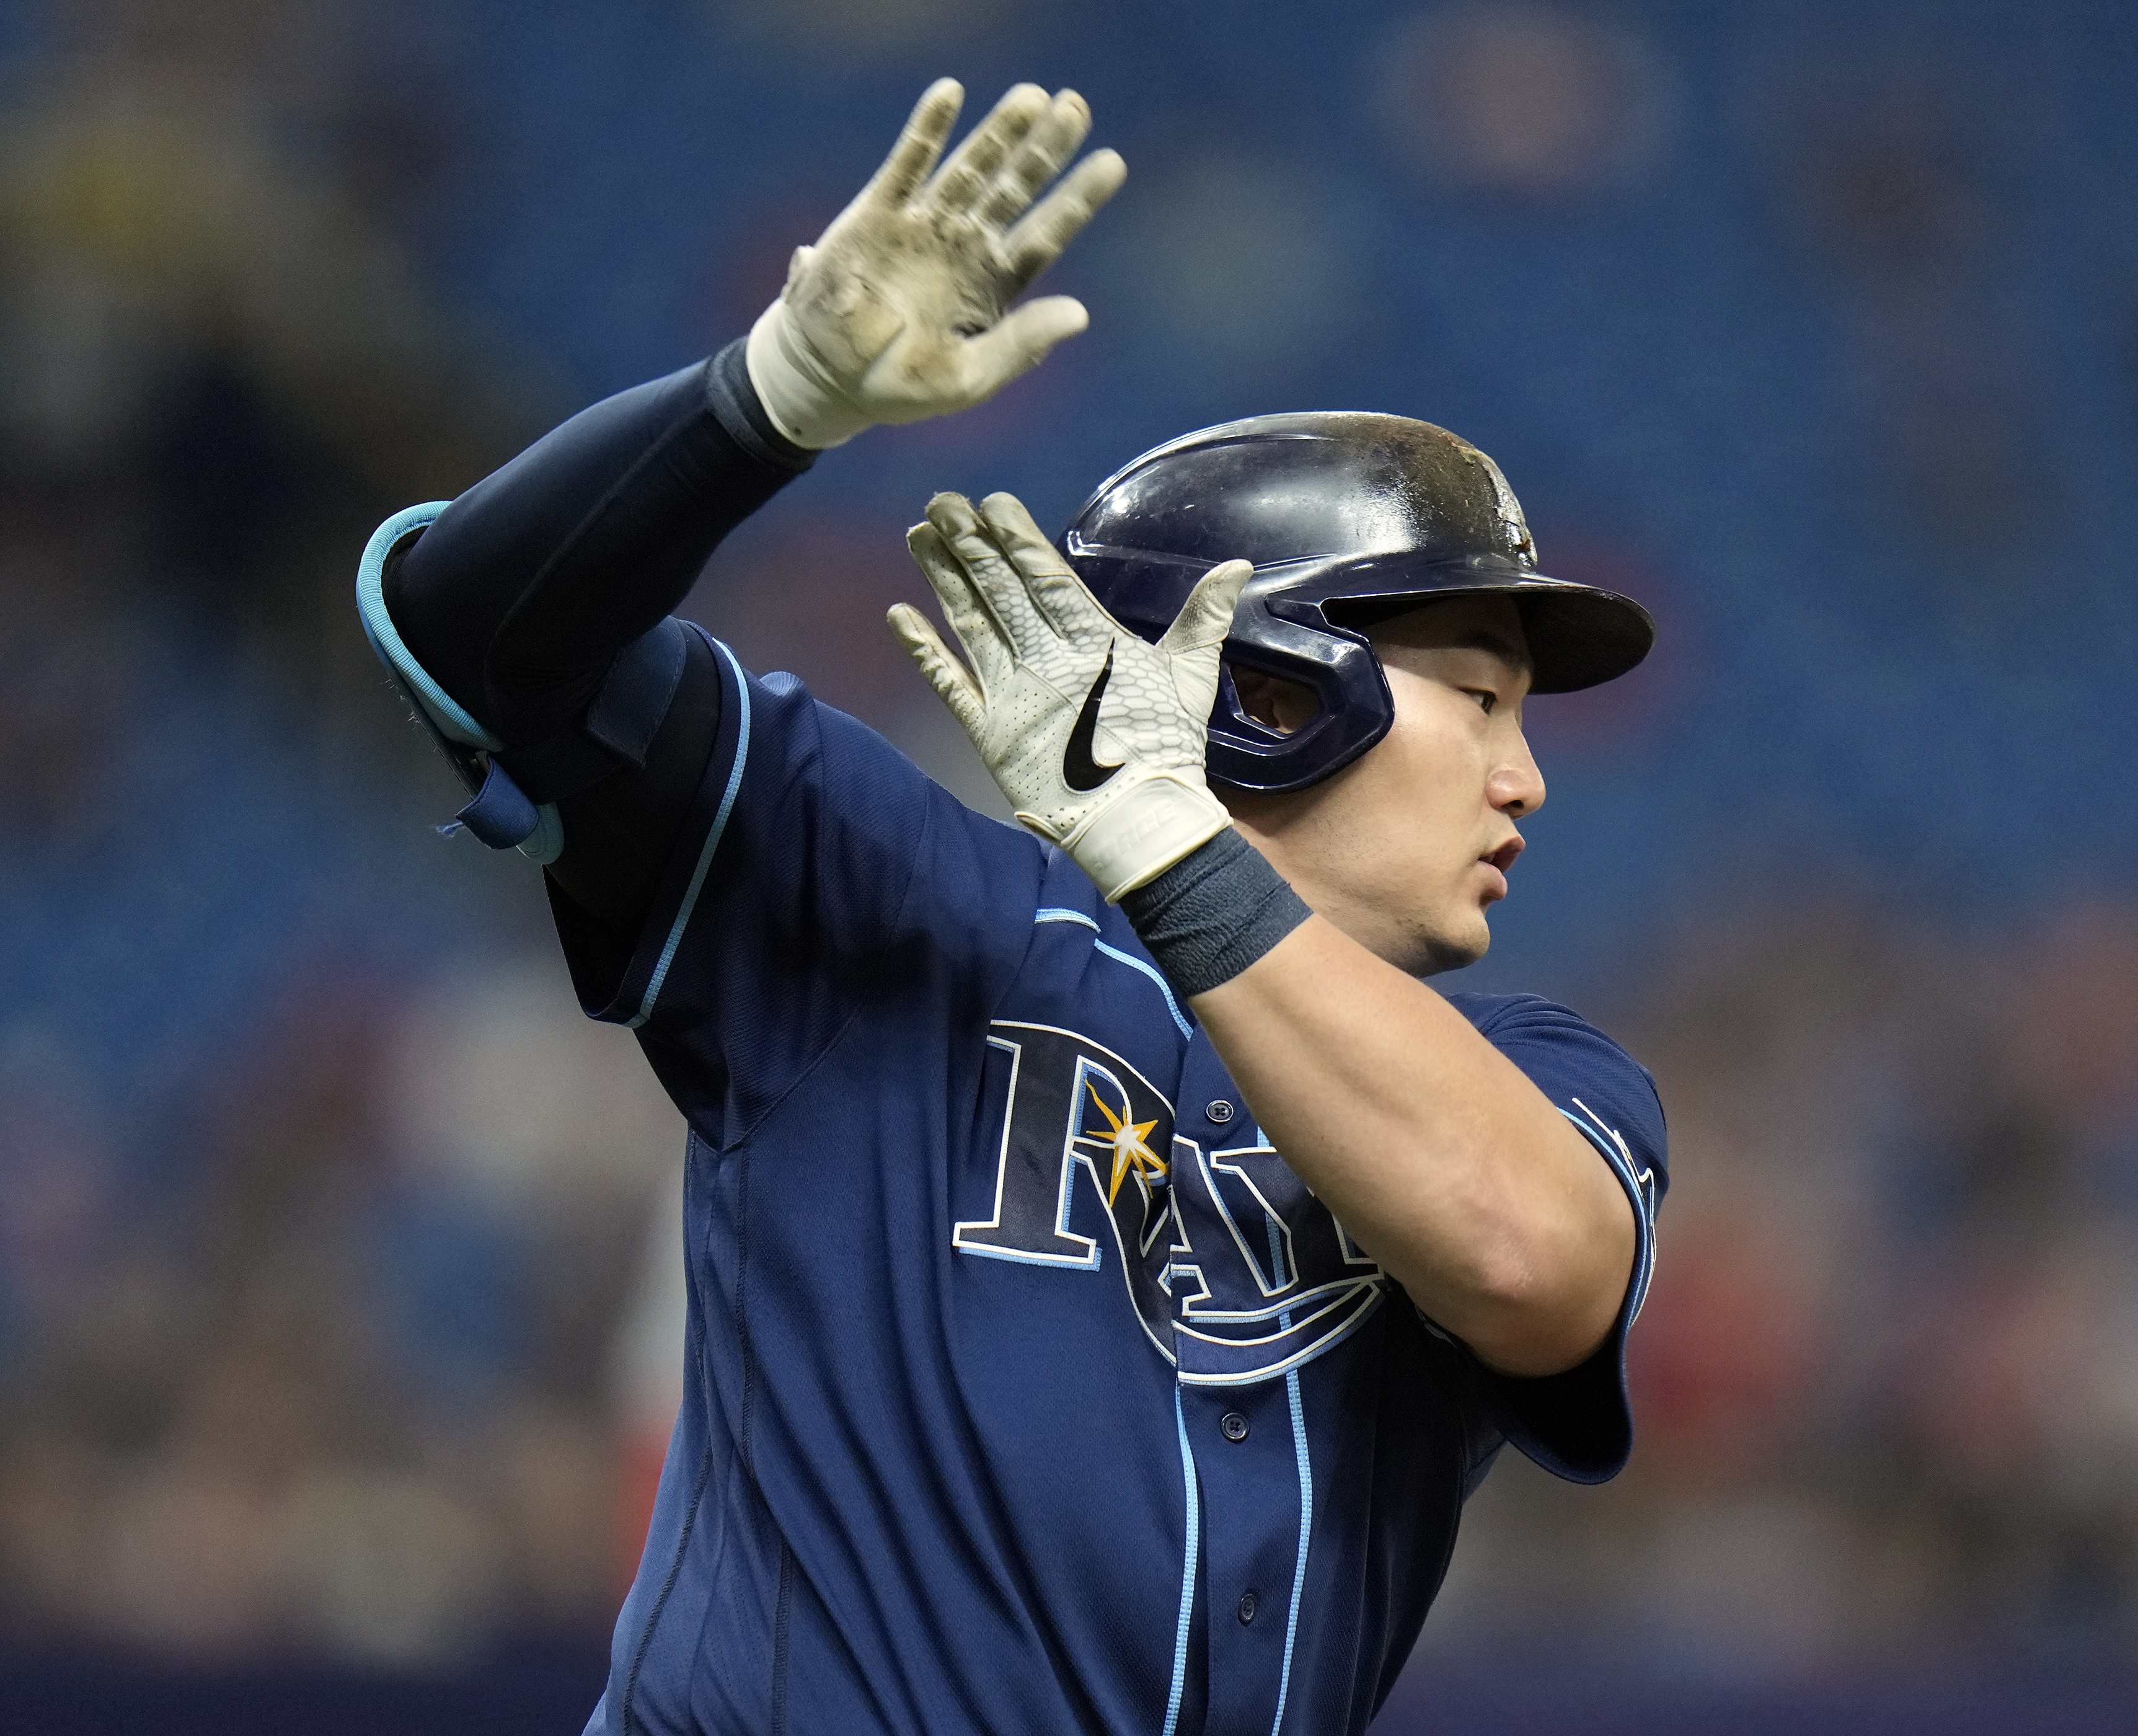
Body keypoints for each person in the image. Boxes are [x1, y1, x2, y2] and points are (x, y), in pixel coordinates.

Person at [355, 76, 1666, 1736]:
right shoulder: (878, 882)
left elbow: (1522, 1255)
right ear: (1274, 693)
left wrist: (1176, 854)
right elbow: (471, 632)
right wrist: (763, 401)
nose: (1524, 776)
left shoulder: (1544, 1080)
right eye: (1476, 697)